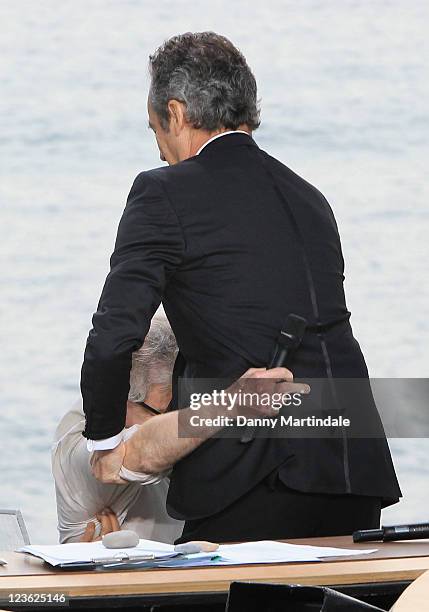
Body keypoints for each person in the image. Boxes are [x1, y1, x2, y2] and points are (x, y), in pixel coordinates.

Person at [80, 31, 401, 543]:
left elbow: (114, 335)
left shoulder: (162, 192)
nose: (161, 150)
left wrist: (103, 441)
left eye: (154, 130)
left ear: (177, 113)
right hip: (353, 465)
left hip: (257, 470)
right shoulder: (309, 196)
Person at [52, 313, 183, 543]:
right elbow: (138, 453)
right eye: (165, 413)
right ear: (122, 400)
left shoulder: (143, 401)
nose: (174, 419)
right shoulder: (80, 449)